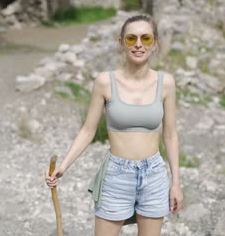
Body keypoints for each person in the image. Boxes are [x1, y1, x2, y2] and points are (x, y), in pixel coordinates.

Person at [45, 14, 183, 236]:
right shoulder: (105, 82)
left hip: (154, 175)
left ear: (155, 44)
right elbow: (88, 131)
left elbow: (170, 135)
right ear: (121, 43)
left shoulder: (166, 83)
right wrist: (63, 167)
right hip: (117, 175)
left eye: (146, 38)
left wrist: (175, 183)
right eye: (131, 39)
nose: (138, 44)